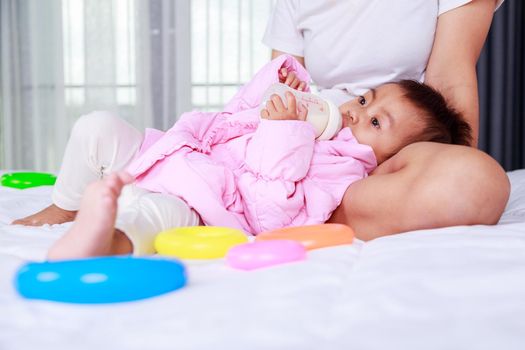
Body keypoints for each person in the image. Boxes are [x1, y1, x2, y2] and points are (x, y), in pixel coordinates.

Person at [14, 55, 468, 259]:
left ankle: (100, 238)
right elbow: (232, 118)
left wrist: (284, 130)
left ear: (390, 160)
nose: (356, 112)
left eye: (374, 123)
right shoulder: (317, 111)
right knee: (97, 126)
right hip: (169, 156)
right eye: (367, 101)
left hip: (204, 203)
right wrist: (274, 83)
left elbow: (274, 213)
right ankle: (65, 205)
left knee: (151, 218)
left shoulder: (343, 171)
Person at [263, 0, 510, 240]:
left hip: (395, 153)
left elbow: (451, 80)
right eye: (363, 101)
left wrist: (450, 165)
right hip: (313, 143)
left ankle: (314, 207)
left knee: (477, 181)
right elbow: (284, 81)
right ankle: (315, 207)